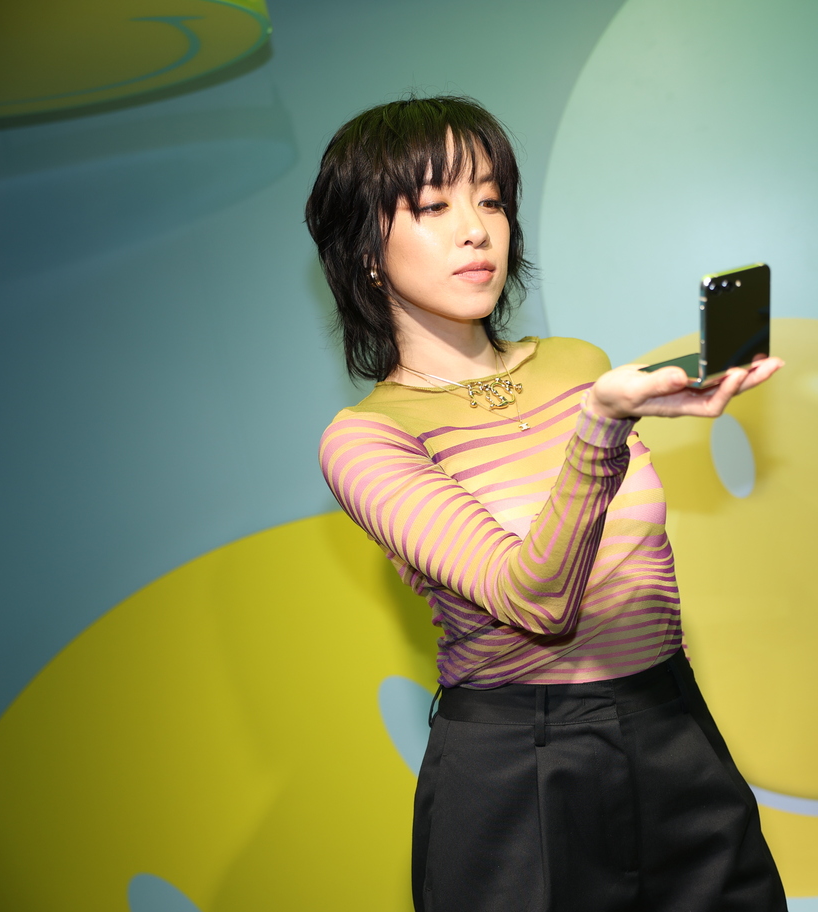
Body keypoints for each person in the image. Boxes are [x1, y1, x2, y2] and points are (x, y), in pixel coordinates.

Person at [306, 95, 787, 912]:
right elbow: (538, 600)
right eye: (434, 206)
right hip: (518, 768)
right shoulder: (365, 438)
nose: (476, 230)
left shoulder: (577, 363)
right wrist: (601, 427)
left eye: (491, 200)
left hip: (670, 721)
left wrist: (605, 410)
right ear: (364, 253)